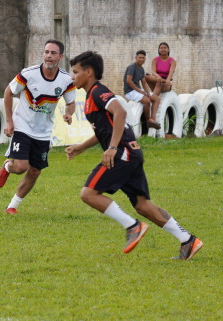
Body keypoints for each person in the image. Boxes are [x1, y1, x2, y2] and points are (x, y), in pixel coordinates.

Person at [65, 50, 203, 260]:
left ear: (89, 72)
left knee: (88, 194)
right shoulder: (90, 96)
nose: (72, 76)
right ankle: (188, 240)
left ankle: (132, 226)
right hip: (131, 152)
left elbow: (120, 112)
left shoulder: (98, 92)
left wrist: (112, 148)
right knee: (142, 205)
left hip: (123, 153)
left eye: (75, 72)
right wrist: (81, 147)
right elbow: (105, 129)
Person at [0, 40, 76, 214]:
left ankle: (12, 207)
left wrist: (69, 114)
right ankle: (8, 166)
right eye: (46, 52)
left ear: (60, 57)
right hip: (23, 125)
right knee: (20, 167)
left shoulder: (66, 80)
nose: (48, 56)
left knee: (35, 171)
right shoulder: (28, 74)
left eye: (53, 53)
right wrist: (9, 121)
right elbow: (8, 92)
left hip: (43, 131)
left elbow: (71, 102)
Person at [123, 49, 160, 130]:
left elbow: (144, 82)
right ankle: (148, 121)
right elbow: (128, 81)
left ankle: (152, 119)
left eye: (143, 58)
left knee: (156, 98)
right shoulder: (132, 67)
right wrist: (140, 91)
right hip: (130, 92)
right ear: (136, 57)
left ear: (145, 59)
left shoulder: (141, 69)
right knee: (147, 101)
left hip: (137, 90)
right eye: (140, 57)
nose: (141, 59)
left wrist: (147, 92)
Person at [144, 42, 177, 122]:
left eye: (165, 48)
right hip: (156, 80)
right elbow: (153, 72)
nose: (163, 49)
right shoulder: (155, 60)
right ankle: (154, 97)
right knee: (146, 76)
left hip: (166, 83)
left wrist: (167, 81)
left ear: (168, 49)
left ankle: (153, 117)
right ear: (159, 50)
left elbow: (171, 73)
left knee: (159, 83)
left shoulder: (172, 61)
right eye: (161, 48)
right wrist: (158, 76)